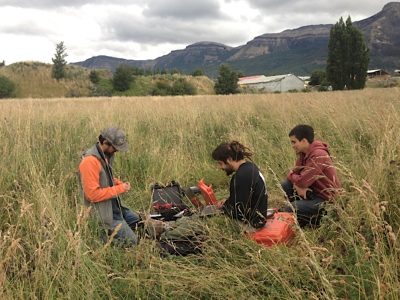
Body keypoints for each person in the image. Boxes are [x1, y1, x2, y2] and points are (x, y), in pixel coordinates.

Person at [79, 127, 141, 246]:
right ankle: (100, 240)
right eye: (115, 148)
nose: (116, 151)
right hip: (103, 214)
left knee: (138, 221)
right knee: (132, 242)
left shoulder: (105, 155)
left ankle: (121, 228)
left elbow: (103, 179)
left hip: (114, 207)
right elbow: (92, 195)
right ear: (105, 142)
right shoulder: (89, 162)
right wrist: (120, 189)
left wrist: (118, 182)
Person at [281, 124, 341, 227]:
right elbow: (296, 176)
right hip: (312, 193)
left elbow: (300, 180)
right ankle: (302, 216)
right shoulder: (304, 153)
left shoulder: (319, 155)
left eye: (294, 142)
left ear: (304, 141)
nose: (292, 145)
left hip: (326, 200)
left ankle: (313, 221)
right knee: (285, 184)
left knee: (291, 208)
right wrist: (298, 185)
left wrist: (297, 180)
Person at [212, 141, 268, 229]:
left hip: (253, 224)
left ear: (229, 159)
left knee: (211, 224)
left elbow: (239, 212)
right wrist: (228, 201)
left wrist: (223, 208)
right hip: (259, 216)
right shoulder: (250, 167)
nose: (220, 167)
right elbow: (246, 198)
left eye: (220, 163)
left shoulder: (241, 176)